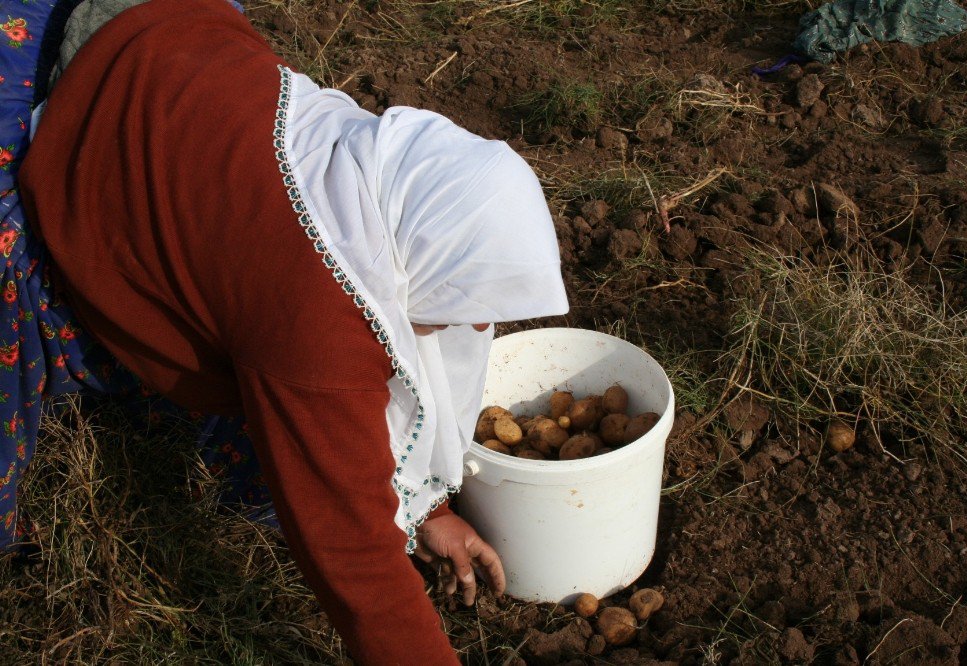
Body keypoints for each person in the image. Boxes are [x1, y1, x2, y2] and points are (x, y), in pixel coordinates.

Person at [4, 0, 570, 663]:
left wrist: (427, 515)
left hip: (180, 26)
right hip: (97, 80)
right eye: (470, 295)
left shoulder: (366, 173)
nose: (475, 324)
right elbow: (354, 557)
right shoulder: (314, 326)